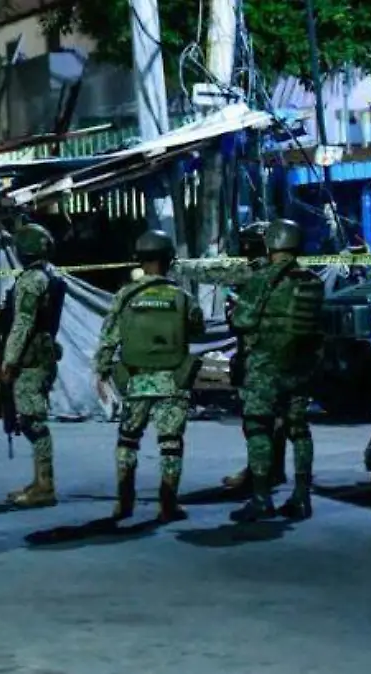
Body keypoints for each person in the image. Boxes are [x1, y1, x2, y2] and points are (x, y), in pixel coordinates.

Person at [93, 231, 204, 523]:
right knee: (171, 444)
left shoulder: (125, 295)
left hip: (135, 380)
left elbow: (108, 339)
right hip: (173, 381)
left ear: (139, 260)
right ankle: (168, 504)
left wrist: (101, 372)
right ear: (169, 259)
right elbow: (197, 329)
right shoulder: (183, 297)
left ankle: (123, 503)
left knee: (128, 440)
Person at [222, 220, 324, 522]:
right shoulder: (312, 280)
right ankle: (302, 497)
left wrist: (235, 309)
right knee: (299, 430)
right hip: (300, 367)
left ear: (271, 244)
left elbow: (242, 320)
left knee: (258, 427)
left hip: (265, 367)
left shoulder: (264, 278)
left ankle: (261, 498)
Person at [0, 223, 65, 508]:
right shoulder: (49, 275)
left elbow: (23, 323)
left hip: (30, 359)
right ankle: (39, 481)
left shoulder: (31, 280)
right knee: (29, 418)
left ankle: (45, 486)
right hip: (42, 355)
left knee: (32, 421)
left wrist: (9, 360)